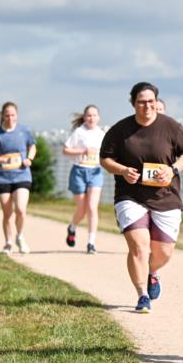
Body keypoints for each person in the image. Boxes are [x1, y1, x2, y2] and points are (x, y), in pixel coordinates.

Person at [100, 82, 183, 313]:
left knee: (163, 252)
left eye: (151, 101)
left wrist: (172, 170)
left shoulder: (170, 126)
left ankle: (152, 272)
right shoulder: (120, 130)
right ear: (133, 103)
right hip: (130, 195)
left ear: (156, 102)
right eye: (142, 102)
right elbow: (105, 159)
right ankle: (142, 295)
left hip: (166, 196)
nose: (147, 106)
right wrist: (122, 170)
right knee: (139, 247)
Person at [0, 102, 37, 255]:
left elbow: (33, 146)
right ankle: (8, 243)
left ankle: (20, 237)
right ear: (2, 115)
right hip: (2, 178)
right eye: (7, 115)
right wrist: (3, 160)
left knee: (21, 209)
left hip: (22, 175)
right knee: (7, 213)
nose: (10, 118)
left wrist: (29, 159)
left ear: (17, 115)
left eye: (13, 115)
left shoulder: (24, 130)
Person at [63, 105, 105, 254]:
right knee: (82, 210)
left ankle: (91, 243)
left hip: (95, 171)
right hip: (79, 171)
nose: (91, 118)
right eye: (88, 115)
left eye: (94, 115)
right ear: (84, 117)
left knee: (92, 208)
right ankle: (72, 227)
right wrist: (82, 151)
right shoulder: (79, 132)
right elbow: (66, 150)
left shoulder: (101, 134)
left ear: (98, 117)